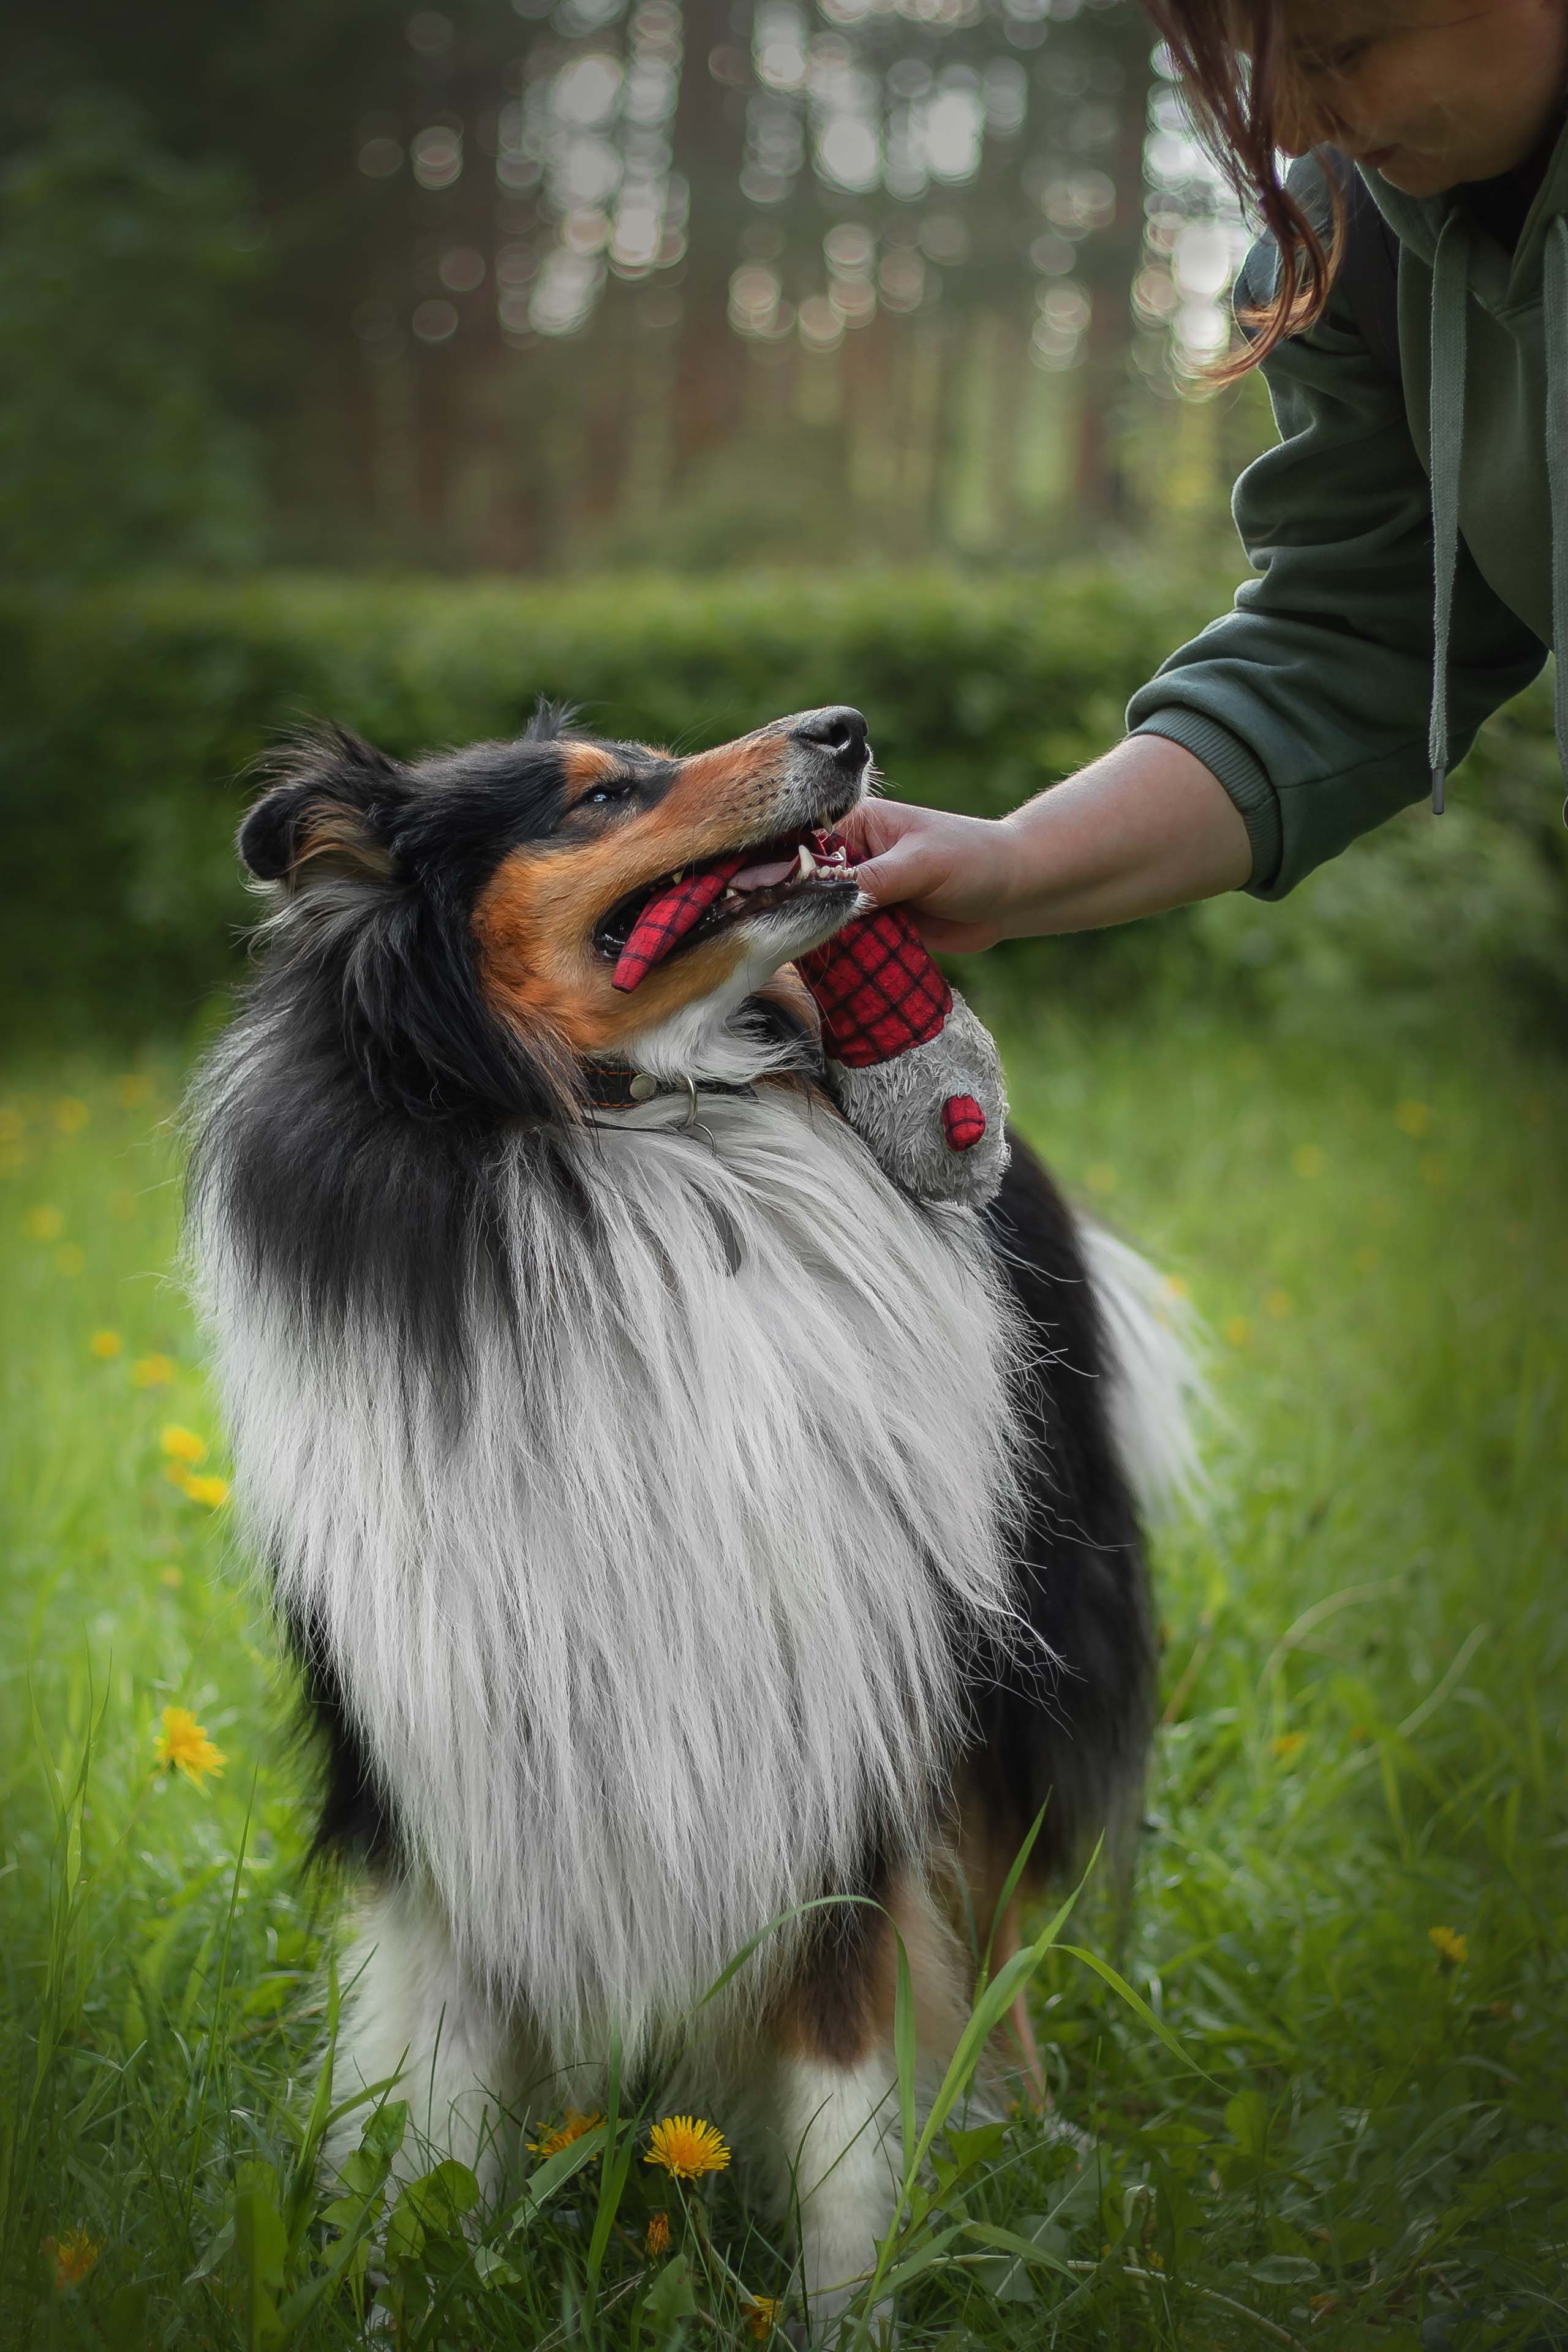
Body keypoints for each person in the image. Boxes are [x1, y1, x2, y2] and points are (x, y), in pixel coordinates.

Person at [841, 1, 1568, 953]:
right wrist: (1017, 861)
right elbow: (1351, 640)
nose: (1299, 124)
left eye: (1343, 50)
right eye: (1260, 73)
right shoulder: (1348, 246)